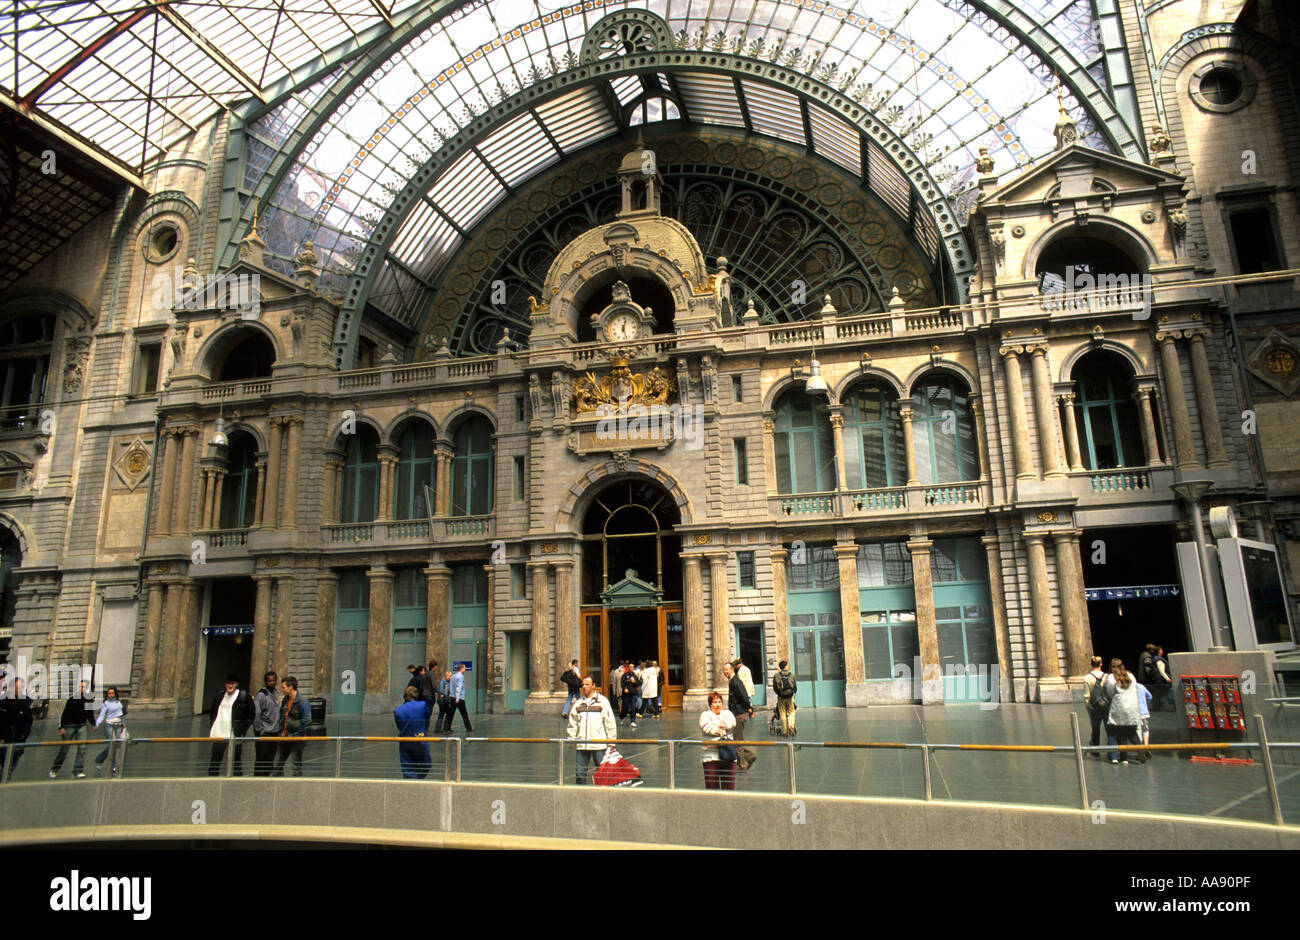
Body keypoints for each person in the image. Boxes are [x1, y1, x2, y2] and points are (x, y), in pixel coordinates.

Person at [567, 675, 616, 785]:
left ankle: (605, 795)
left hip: (598, 744)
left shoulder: (603, 701)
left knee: (603, 773)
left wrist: (611, 741)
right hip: (581, 744)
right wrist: (571, 738)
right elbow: (573, 722)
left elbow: (609, 722)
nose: (584, 687)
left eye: (587, 684)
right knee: (579, 774)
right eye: (583, 684)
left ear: (593, 685)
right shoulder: (578, 703)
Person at [207, 674, 255, 776]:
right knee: (215, 759)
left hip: (235, 733)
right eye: (228, 683)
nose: (230, 685)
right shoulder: (219, 696)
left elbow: (251, 714)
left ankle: (237, 780)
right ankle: (212, 779)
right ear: (225, 684)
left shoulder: (243, 696)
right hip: (219, 733)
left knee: (236, 760)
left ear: (236, 684)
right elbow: (212, 713)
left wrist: (243, 729)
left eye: (232, 683)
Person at [49, 680, 96, 778]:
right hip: (69, 726)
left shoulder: (89, 699)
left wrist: (93, 723)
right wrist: (61, 727)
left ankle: (78, 770)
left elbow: (89, 713)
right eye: (80, 686)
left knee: (82, 748)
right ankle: (54, 769)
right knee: (65, 749)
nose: (81, 689)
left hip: (82, 725)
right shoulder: (71, 699)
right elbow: (63, 714)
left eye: (83, 687)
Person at [1104, 659, 1143, 765]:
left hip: (1119, 707)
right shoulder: (1131, 676)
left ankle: (1117, 757)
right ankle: (1141, 751)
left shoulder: (1111, 678)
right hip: (1132, 707)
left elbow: (1110, 693)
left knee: (1114, 731)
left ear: (1111, 667)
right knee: (1131, 732)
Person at [272, 676, 311, 777]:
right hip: (284, 737)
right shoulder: (285, 700)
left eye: (283, 687)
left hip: (295, 739)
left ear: (290, 687)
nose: (282, 690)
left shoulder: (302, 702)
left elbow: (307, 720)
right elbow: (282, 716)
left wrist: (298, 734)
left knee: (296, 767)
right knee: (276, 766)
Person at [699, 691, 737, 790]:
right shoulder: (705, 715)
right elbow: (707, 728)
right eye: (715, 702)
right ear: (710, 704)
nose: (717, 705)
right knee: (712, 788)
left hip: (728, 756)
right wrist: (721, 730)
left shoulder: (728, 713)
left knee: (729, 787)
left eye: (719, 702)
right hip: (710, 757)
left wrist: (717, 725)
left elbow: (731, 723)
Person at [394, 686, 433, 779]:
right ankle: (417, 780)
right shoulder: (422, 705)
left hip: (405, 741)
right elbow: (427, 716)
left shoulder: (397, 711)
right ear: (416, 695)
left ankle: (412, 784)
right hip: (420, 740)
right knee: (426, 765)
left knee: (407, 769)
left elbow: (399, 726)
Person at [724, 662, 756, 771]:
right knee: (736, 738)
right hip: (737, 713)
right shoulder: (732, 681)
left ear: (732, 670)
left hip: (739, 714)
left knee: (737, 739)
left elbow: (743, 696)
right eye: (724, 670)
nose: (725, 672)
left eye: (726, 670)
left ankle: (742, 763)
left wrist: (749, 708)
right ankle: (749, 756)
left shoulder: (735, 682)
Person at [0, 677, 35, 775]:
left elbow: (29, 721)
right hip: (3, 739)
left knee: (9, 768)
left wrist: (24, 734)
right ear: (11, 688)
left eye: (22, 688)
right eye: (18, 688)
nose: (21, 690)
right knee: (3, 764)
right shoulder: (2, 702)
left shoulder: (26, 702)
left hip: (18, 739)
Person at [252, 670, 281, 776]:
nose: (272, 682)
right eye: (269, 681)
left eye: (274, 680)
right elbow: (257, 714)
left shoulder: (276, 693)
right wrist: (259, 731)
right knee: (261, 759)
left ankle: (267, 778)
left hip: (275, 732)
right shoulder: (261, 695)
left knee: (270, 759)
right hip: (265, 733)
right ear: (265, 682)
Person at [93, 686, 125, 776]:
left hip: (118, 725)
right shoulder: (105, 704)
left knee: (116, 745)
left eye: (112, 693)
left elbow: (121, 714)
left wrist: (123, 724)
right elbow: (101, 715)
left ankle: (99, 759)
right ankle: (114, 764)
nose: (110, 695)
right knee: (112, 744)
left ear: (115, 694)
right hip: (109, 725)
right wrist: (97, 724)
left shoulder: (119, 702)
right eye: (109, 693)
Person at [1082, 656, 1107, 758]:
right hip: (1105, 705)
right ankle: (1112, 751)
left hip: (1094, 706)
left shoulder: (1087, 677)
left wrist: (1088, 706)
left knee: (1095, 728)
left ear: (1091, 664)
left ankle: (1095, 750)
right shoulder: (1106, 676)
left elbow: (1087, 695)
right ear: (1101, 664)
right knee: (1108, 728)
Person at [1138, 644, 1172, 710]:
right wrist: (1152, 675)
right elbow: (1150, 668)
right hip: (1150, 679)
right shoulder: (1148, 657)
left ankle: (1157, 705)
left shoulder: (1150, 657)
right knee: (1157, 694)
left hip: (1149, 678)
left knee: (1156, 693)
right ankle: (1155, 706)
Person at [444, 663, 473, 733]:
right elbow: (458, 687)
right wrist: (457, 699)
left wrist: (452, 696)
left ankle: (447, 728)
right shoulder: (460, 676)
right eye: (464, 668)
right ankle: (469, 728)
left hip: (452, 697)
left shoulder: (453, 676)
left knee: (450, 714)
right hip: (459, 698)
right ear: (462, 668)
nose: (465, 669)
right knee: (464, 714)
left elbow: (451, 687)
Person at [772, 660, 797, 736]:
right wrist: (793, 693)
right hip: (789, 697)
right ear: (785, 666)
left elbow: (775, 688)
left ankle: (785, 731)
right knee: (791, 712)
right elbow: (795, 687)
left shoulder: (776, 675)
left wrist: (779, 694)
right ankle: (791, 726)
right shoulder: (791, 675)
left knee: (782, 713)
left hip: (781, 697)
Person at [620, 662, 641, 728]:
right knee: (625, 708)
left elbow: (638, 683)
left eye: (632, 667)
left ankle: (632, 721)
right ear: (628, 668)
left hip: (633, 694)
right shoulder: (625, 675)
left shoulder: (635, 676)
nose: (631, 668)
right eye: (630, 667)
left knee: (633, 708)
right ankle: (622, 717)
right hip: (626, 694)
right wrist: (624, 689)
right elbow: (622, 683)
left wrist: (634, 682)